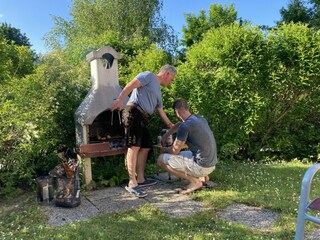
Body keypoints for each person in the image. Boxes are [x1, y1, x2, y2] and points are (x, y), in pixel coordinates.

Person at [111, 64, 176, 198]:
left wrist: (171, 125)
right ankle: (132, 182)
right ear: (167, 73)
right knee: (134, 147)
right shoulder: (149, 76)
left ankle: (140, 178)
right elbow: (130, 85)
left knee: (146, 147)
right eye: (172, 79)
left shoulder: (158, 90)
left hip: (144, 118)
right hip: (133, 112)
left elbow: (160, 110)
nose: (171, 82)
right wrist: (119, 100)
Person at [157, 99, 217, 194]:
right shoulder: (199, 118)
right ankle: (203, 177)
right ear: (187, 108)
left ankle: (195, 182)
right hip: (211, 164)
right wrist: (167, 134)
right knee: (180, 155)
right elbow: (179, 124)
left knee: (161, 159)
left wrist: (164, 149)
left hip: (202, 166)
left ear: (177, 111)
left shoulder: (185, 126)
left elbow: (174, 151)